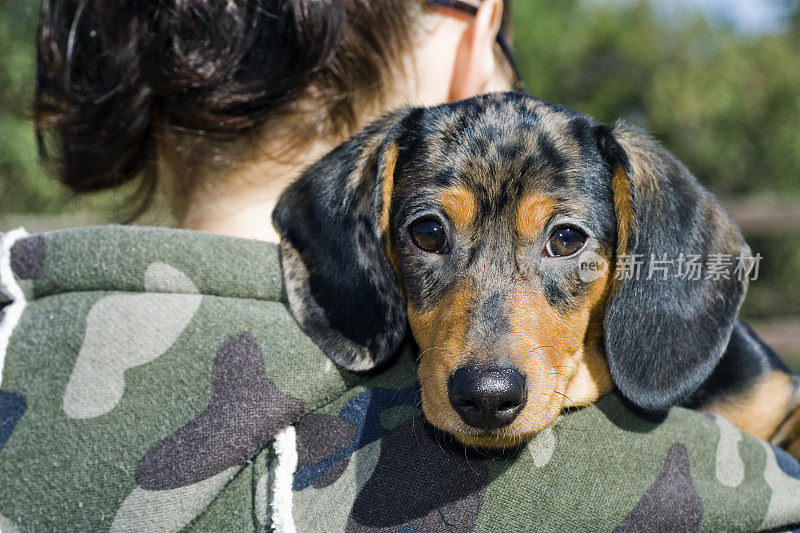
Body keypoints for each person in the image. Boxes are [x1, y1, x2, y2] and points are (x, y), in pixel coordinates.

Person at [1, 1, 799, 531]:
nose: (490, 362)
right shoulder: (721, 491)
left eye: (562, 241)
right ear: (471, 34)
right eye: (427, 235)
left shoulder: (20, 335)